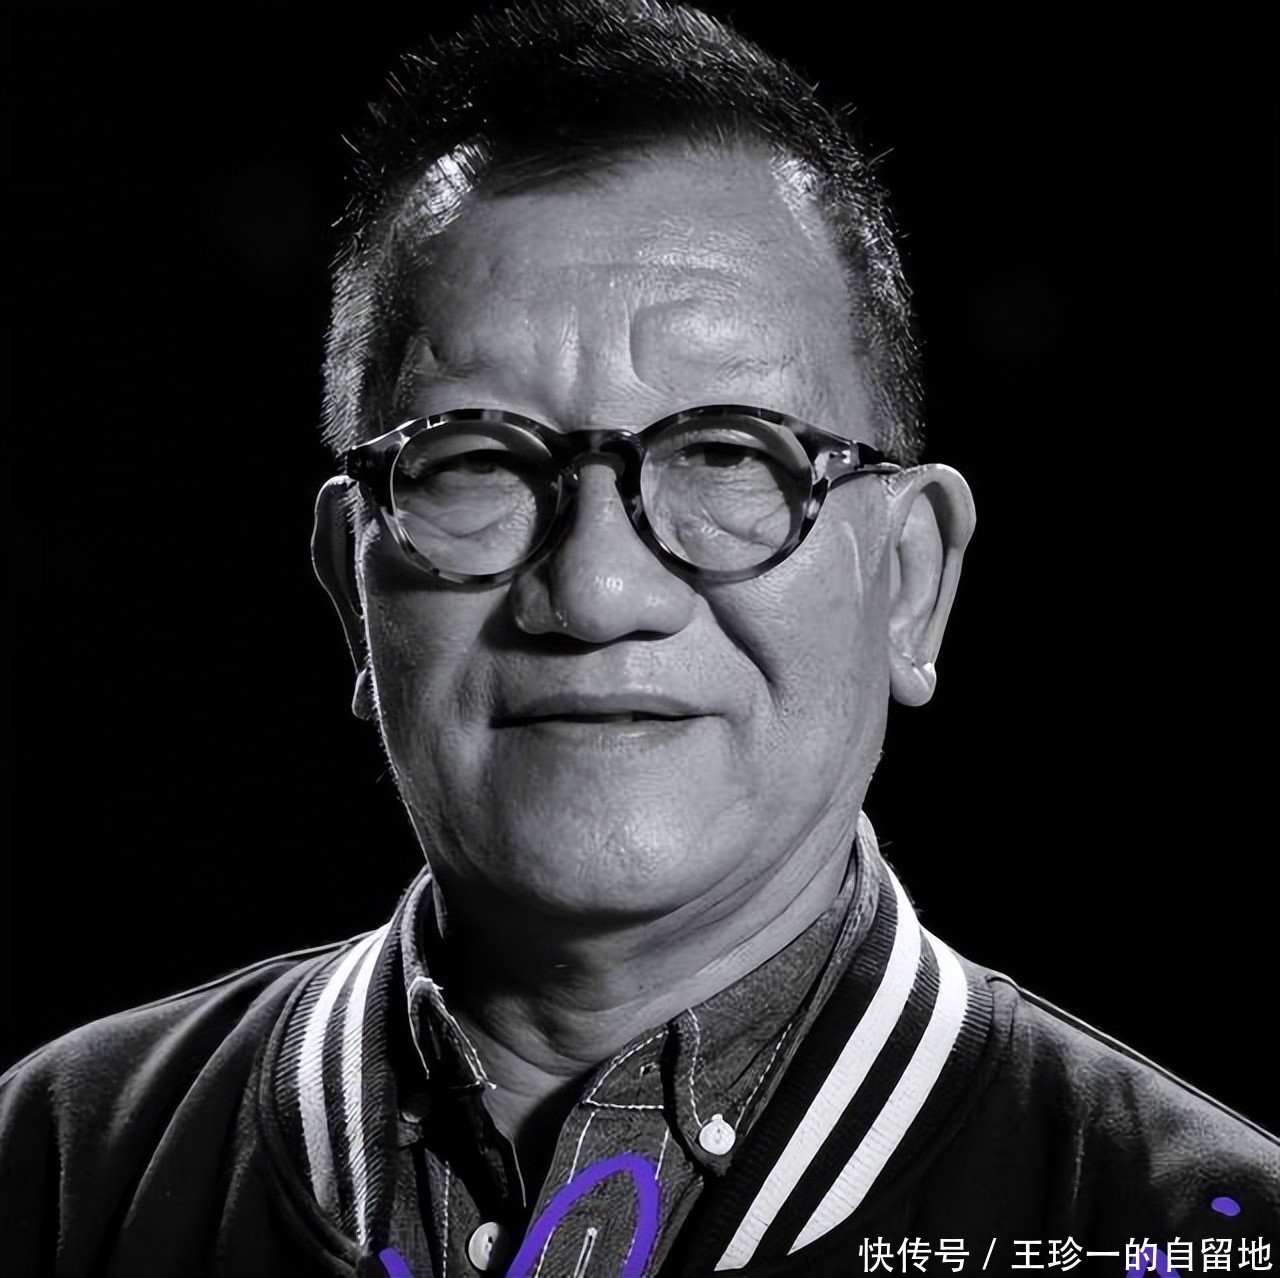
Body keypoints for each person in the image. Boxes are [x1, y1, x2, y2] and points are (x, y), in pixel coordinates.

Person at [1, 2, 1275, 1276]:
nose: (597, 589)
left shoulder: (1184, 1228)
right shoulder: (55, 1170)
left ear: (908, 581)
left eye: (725, 455)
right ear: (351, 584)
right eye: (478, 461)